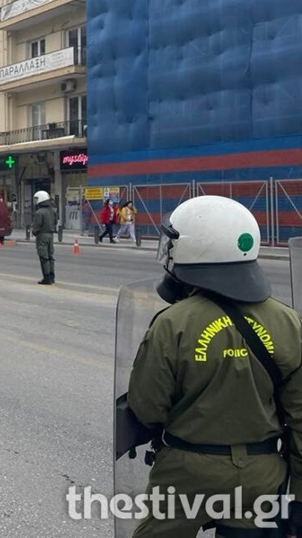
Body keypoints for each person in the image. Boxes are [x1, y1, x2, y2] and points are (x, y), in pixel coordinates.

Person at [126, 195, 302, 537]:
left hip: (186, 473)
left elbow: (147, 408)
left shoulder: (172, 323)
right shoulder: (288, 323)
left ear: (197, 249)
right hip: (261, 475)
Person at [31, 190, 57, 285]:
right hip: (51, 235)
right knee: (50, 256)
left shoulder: (39, 212)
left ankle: (46, 278)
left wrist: (34, 232)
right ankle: (52, 276)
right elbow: (55, 222)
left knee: (43, 256)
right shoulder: (53, 211)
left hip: (42, 235)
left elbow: (37, 226)